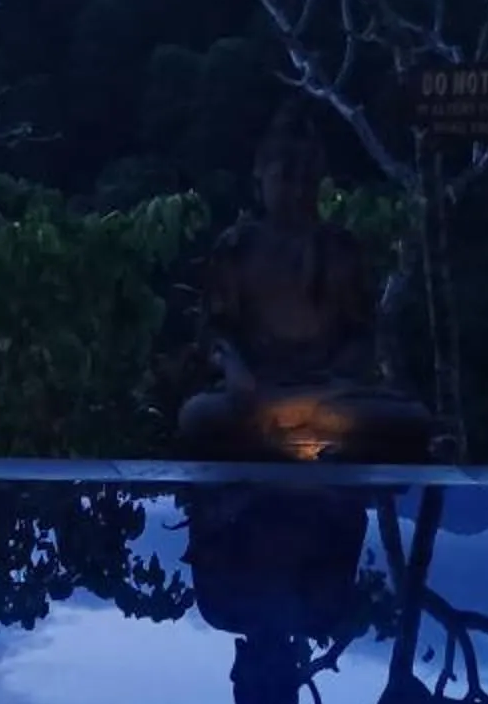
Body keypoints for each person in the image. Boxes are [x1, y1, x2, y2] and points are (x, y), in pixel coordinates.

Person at [176, 118, 439, 462]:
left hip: (328, 397)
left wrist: (336, 380)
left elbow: (362, 335)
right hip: (259, 393)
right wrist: (235, 368)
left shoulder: (340, 248)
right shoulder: (237, 247)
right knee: (198, 415)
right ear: (261, 177)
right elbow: (215, 333)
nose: (299, 192)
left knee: (412, 418)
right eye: (286, 179)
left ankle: (291, 429)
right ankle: (295, 430)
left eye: (308, 181)